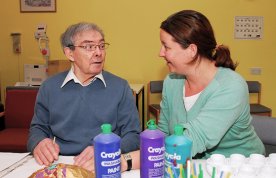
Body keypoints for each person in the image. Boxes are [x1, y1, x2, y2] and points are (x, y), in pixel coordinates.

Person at [27, 22, 141, 172]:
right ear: (70, 53)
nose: (98, 52)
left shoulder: (120, 87)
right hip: (60, 164)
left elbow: (133, 135)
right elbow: (37, 128)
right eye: (88, 47)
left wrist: (105, 149)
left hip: (104, 163)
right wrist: (39, 142)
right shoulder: (49, 87)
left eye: (101, 46)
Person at [157, 10, 265, 158]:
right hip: (192, 165)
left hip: (239, 168)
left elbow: (193, 139)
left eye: (166, 47)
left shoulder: (232, 86)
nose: (160, 53)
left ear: (191, 50)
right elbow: (163, 133)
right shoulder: (171, 82)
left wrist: (130, 160)